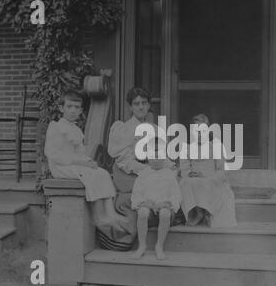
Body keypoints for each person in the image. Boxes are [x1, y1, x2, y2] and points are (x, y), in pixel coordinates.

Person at [44, 90, 126, 232]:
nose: (73, 111)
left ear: (81, 110)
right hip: (61, 166)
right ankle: (99, 216)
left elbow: (80, 153)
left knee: (102, 173)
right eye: (69, 107)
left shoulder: (75, 129)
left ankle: (110, 213)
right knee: (92, 175)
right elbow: (53, 154)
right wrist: (82, 163)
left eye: (77, 107)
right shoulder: (57, 127)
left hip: (74, 165)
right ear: (61, 108)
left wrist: (89, 161)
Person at [179, 114, 237, 228]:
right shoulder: (187, 148)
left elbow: (222, 170)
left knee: (206, 184)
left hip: (211, 180)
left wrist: (207, 177)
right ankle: (198, 212)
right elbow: (184, 169)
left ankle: (207, 211)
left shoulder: (215, 147)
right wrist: (190, 174)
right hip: (193, 180)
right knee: (184, 183)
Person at [130, 137, 182, 260]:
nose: (156, 160)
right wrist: (143, 203)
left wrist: (168, 203)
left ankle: (159, 246)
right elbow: (136, 195)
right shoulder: (143, 174)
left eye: (159, 157)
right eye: (153, 156)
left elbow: (176, 195)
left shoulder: (169, 174)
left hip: (165, 211)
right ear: (147, 157)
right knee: (142, 212)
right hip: (149, 213)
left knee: (165, 213)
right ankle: (142, 245)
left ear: (164, 157)